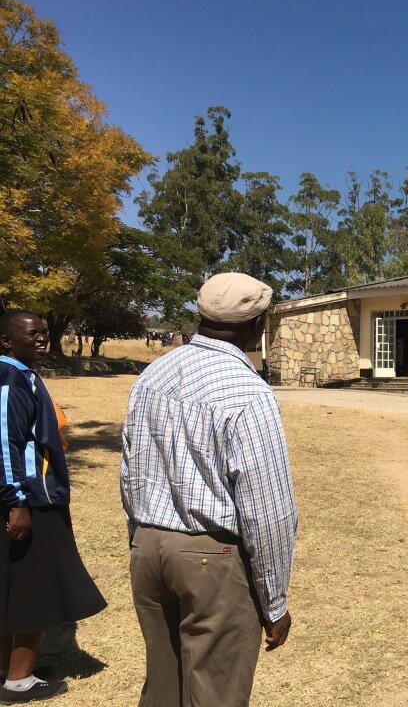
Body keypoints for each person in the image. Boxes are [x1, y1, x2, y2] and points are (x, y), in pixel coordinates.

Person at [120, 273, 297, 707]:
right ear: (258, 324)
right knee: (215, 693)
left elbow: (130, 468)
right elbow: (267, 510)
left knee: (162, 687)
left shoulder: (154, 374)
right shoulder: (248, 392)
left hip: (149, 546)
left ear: (200, 315)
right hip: (211, 558)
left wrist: (140, 537)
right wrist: (274, 602)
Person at [0, 310, 107, 704]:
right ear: (6, 341)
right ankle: (19, 682)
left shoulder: (22, 374)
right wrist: (16, 503)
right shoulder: (10, 379)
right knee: (33, 588)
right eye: (32, 334)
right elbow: (4, 444)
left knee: (12, 585)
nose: (42, 339)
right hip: (31, 500)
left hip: (31, 497)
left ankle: (6, 668)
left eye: (44, 332)